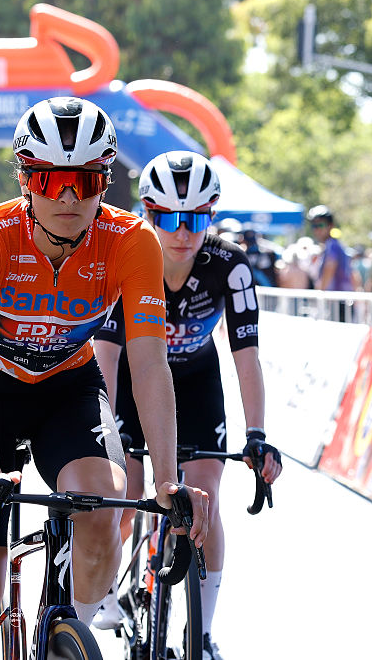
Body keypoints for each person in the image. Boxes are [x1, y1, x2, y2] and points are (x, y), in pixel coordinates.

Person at [0, 97, 214, 659]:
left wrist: (166, 479)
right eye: (49, 178)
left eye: (83, 181)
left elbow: (150, 366)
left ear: (104, 182)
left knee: (103, 504)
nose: (65, 196)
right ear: (25, 180)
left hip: (68, 386)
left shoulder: (131, 241)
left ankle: (70, 637)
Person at [92, 151, 282, 658]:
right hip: (134, 382)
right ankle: (108, 586)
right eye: (168, 218)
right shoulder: (126, 256)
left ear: (212, 213)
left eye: (196, 217)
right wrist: (105, 427)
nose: (182, 230)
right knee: (126, 494)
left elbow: (247, 358)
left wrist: (257, 434)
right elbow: (106, 355)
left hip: (197, 383)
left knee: (206, 502)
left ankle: (201, 630)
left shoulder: (230, 265)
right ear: (148, 215)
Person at [306, 206, 353, 292]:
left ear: (330, 226)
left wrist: (321, 292)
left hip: (338, 300)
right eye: (314, 226)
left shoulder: (332, 245)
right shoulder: (330, 245)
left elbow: (330, 266)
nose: (317, 230)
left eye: (321, 225)